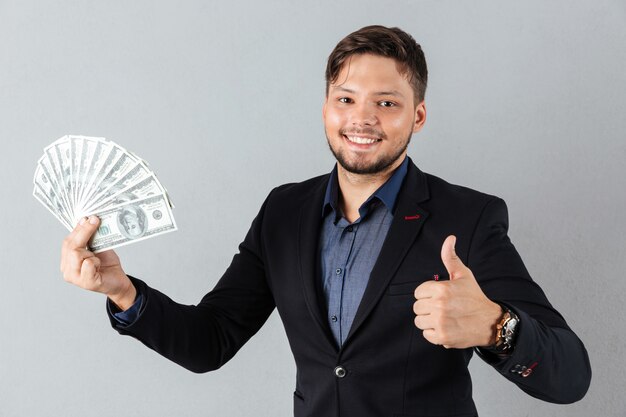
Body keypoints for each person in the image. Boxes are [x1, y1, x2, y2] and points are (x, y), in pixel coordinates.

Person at [60, 25, 591, 416]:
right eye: (346, 99)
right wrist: (123, 291)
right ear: (325, 108)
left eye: (386, 102)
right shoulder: (283, 212)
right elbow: (210, 341)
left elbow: (571, 376)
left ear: (418, 116)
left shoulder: (467, 218)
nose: (362, 118)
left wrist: (498, 326)